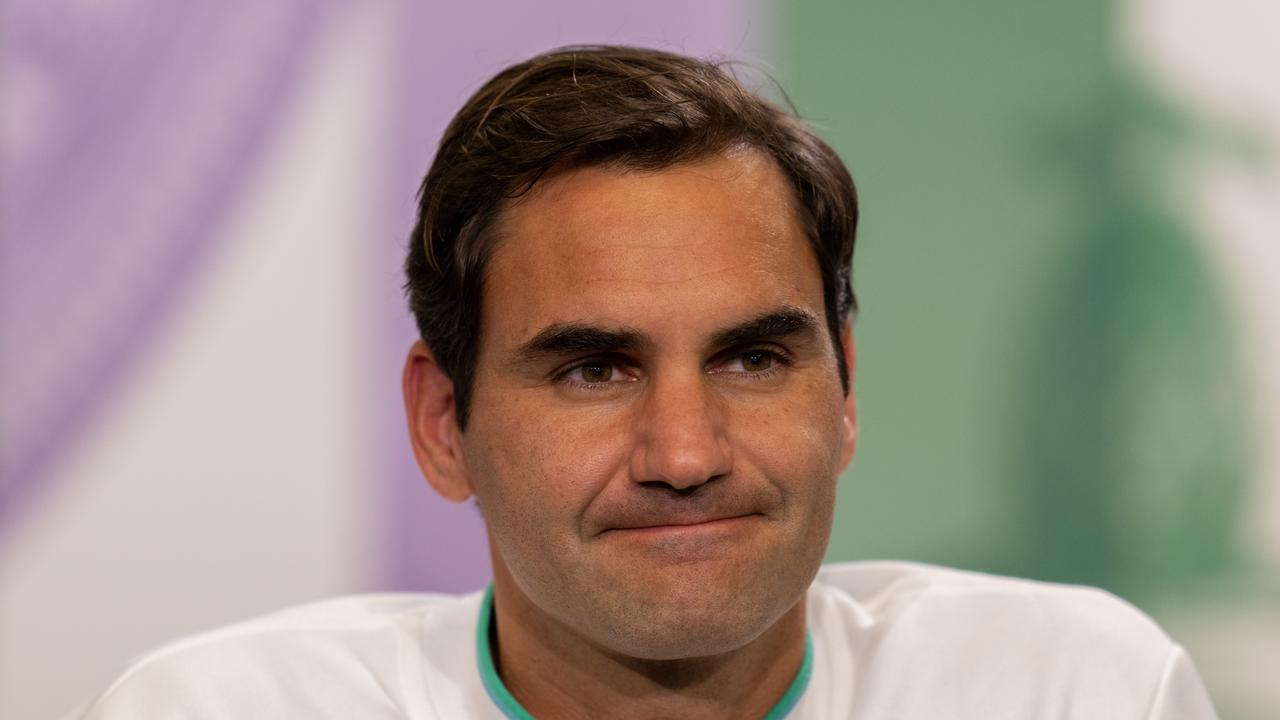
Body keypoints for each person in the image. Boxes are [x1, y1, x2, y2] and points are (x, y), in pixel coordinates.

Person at [69, 46, 1218, 719]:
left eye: (753, 358)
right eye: (593, 369)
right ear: (441, 423)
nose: (684, 453)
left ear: (846, 389)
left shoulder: (1071, 696)